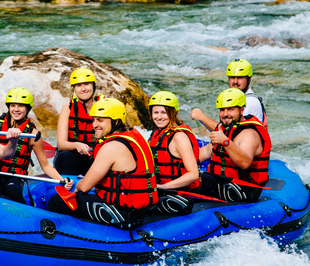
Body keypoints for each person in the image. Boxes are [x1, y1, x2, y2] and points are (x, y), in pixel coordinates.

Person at [47, 98, 159, 228]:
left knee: (57, 201)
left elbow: (84, 187)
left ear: (116, 121)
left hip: (122, 213)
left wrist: (75, 188)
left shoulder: (112, 147)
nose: (94, 124)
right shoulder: (134, 136)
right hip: (137, 210)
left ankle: (54, 236)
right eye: (94, 120)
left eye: (100, 120)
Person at [0, 87, 72, 203]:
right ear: (9, 107)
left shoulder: (33, 135)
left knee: (13, 191)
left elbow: (45, 165)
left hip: (13, 176)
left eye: (21, 106)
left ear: (27, 108)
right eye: (13, 106)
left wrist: (62, 180)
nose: (16, 110)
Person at [197, 88, 271, 202]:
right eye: (222, 110)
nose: (225, 114)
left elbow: (245, 163)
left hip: (243, 189)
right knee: (187, 175)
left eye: (230, 109)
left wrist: (225, 142)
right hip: (223, 183)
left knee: (196, 180)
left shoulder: (249, 134)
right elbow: (205, 152)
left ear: (242, 110)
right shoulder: (228, 129)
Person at [191, 58, 267, 131]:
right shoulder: (238, 98)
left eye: (240, 78)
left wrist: (201, 117)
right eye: (232, 78)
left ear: (249, 79)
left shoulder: (250, 102)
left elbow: (229, 133)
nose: (235, 82)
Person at [54, 67, 104, 176]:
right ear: (74, 89)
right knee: (65, 156)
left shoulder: (104, 107)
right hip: (73, 155)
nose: (83, 89)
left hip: (97, 156)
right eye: (79, 85)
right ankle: (67, 187)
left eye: (87, 84)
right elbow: (61, 144)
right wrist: (77, 145)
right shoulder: (68, 109)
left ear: (93, 86)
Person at [147, 91, 200, 190]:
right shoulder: (156, 134)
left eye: (164, 112)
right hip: (160, 188)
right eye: (155, 112)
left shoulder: (179, 137)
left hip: (181, 192)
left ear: (173, 113)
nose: (159, 117)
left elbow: (193, 174)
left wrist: (164, 187)